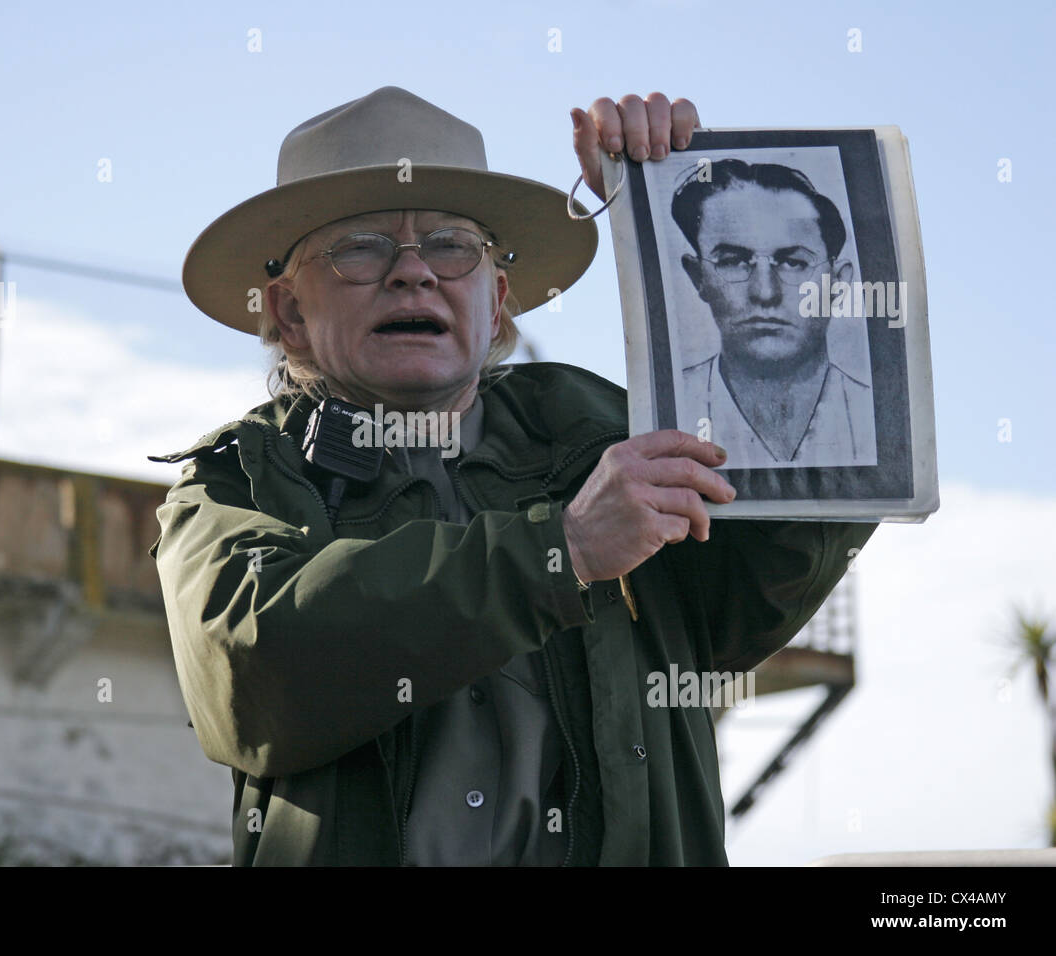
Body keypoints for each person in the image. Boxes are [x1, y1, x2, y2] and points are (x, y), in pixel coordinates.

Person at [148, 86, 878, 865]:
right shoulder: (237, 483)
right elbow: (259, 670)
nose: (413, 273)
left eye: (450, 245)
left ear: (495, 305)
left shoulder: (611, 436)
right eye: (360, 247)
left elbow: (772, 558)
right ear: (290, 314)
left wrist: (670, 218)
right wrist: (560, 552)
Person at [674, 159, 877, 468]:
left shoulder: (877, 417)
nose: (765, 292)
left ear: (838, 283)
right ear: (698, 277)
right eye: (733, 260)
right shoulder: (657, 416)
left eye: (794, 263)